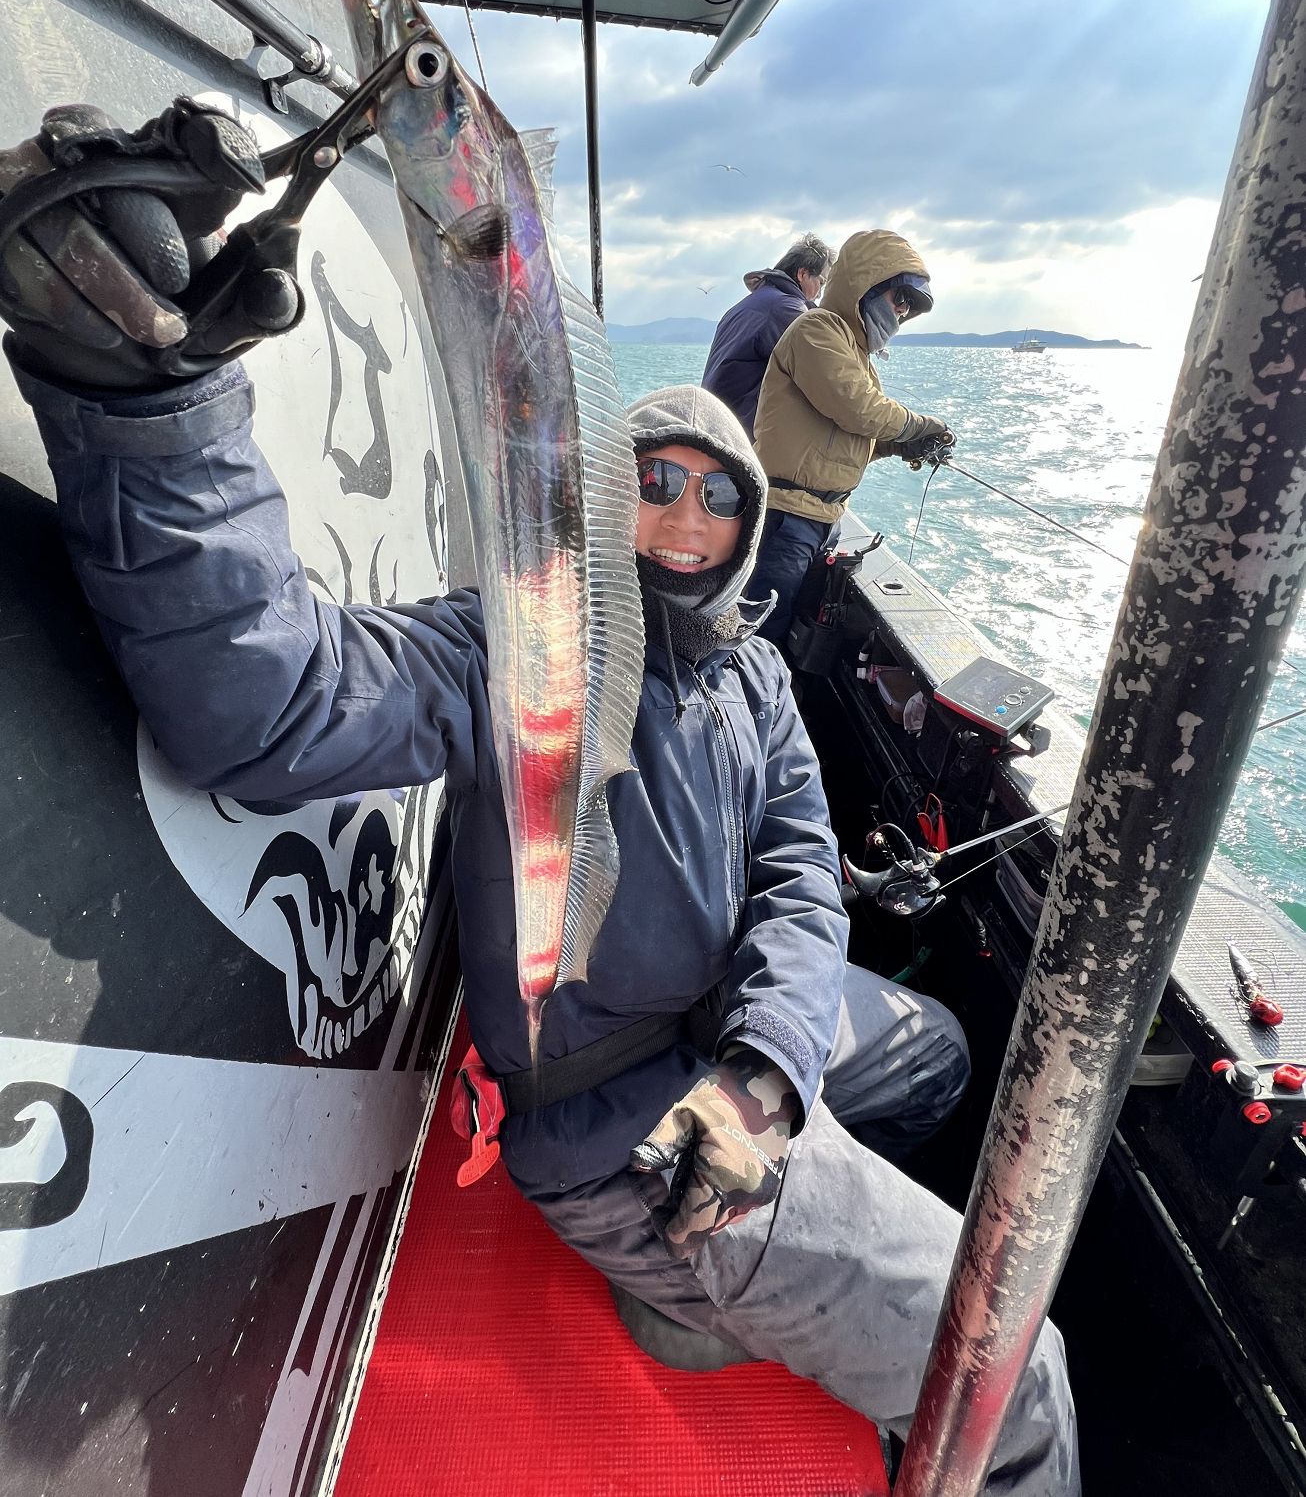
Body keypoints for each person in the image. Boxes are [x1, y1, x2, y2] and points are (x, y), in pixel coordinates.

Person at [0, 105, 1077, 1491]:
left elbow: (801, 874)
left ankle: (727, 1278)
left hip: (725, 1058)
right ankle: (705, 1258)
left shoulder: (754, 675)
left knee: (935, 1052)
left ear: (751, 524)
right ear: (600, 497)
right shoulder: (519, 645)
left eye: (718, 499)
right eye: (653, 484)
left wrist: (765, 1072)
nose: (682, 521)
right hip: (617, 1129)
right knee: (1016, 1371)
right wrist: (155, 407)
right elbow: (270, 700)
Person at [750, 229, 954, 648]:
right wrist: (920, 426)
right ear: (866, 285)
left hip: (823, 518)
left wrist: (900, 445)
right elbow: (859, 409)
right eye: (899, 297)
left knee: (789, 637)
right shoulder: (817, 329)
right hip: (786, 517)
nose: (901, 311)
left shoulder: (855, 353)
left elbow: (846, 439)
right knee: (759, 636)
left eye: (909, 306)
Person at [701, 233, 835, 436]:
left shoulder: (750, 303)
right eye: (821, 282)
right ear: (803, 274)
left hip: (714, 420)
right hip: (740, 433)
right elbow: (823, 370)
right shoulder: (786, 308)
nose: (820, 293)